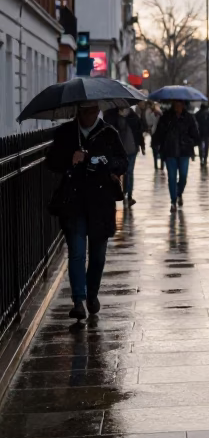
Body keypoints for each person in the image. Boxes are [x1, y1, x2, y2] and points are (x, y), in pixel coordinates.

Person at [46, 102, 127, 320]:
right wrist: (70, 158)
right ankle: (78, 301)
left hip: (100, 203)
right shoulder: (66, 133)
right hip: (74, 203)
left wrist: (102, 161)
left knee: (98, 256)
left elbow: (122, 162)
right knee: (77, 253)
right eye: (85, 111)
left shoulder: (108, 132)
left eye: (93, 110)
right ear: (78, 112)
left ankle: (92, 295)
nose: (90, 115)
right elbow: (51, 161)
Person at [152, 100, 200, 210]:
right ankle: (173, 201)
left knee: (183, 176)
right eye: (176, 104)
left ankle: (179, 193)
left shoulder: (188, 118)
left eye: (180, 104)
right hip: (170, 151)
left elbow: (195, 134)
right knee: (172, 177)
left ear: (183, 105)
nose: (178, 106)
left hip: (184, 151)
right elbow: (159, 132)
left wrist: (191, 142)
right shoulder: (166, 117)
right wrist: (156, 143)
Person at [103, 105, 144, 207]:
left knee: (129, 172)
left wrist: (142, 145)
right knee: (119, 172)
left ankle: (128, 195)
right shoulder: (112, 115)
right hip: (118, 150)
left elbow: (138, 131)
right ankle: (119, 192)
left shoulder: (133, 116)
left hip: (132, 149)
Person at [142, 101, 161, 170]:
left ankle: (161, 165)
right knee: (155, 149)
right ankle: (156, 165)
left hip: (160, 134)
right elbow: (149, 122)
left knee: (160, 149)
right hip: (154, 133)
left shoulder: (160, 114)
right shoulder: (149, 112)